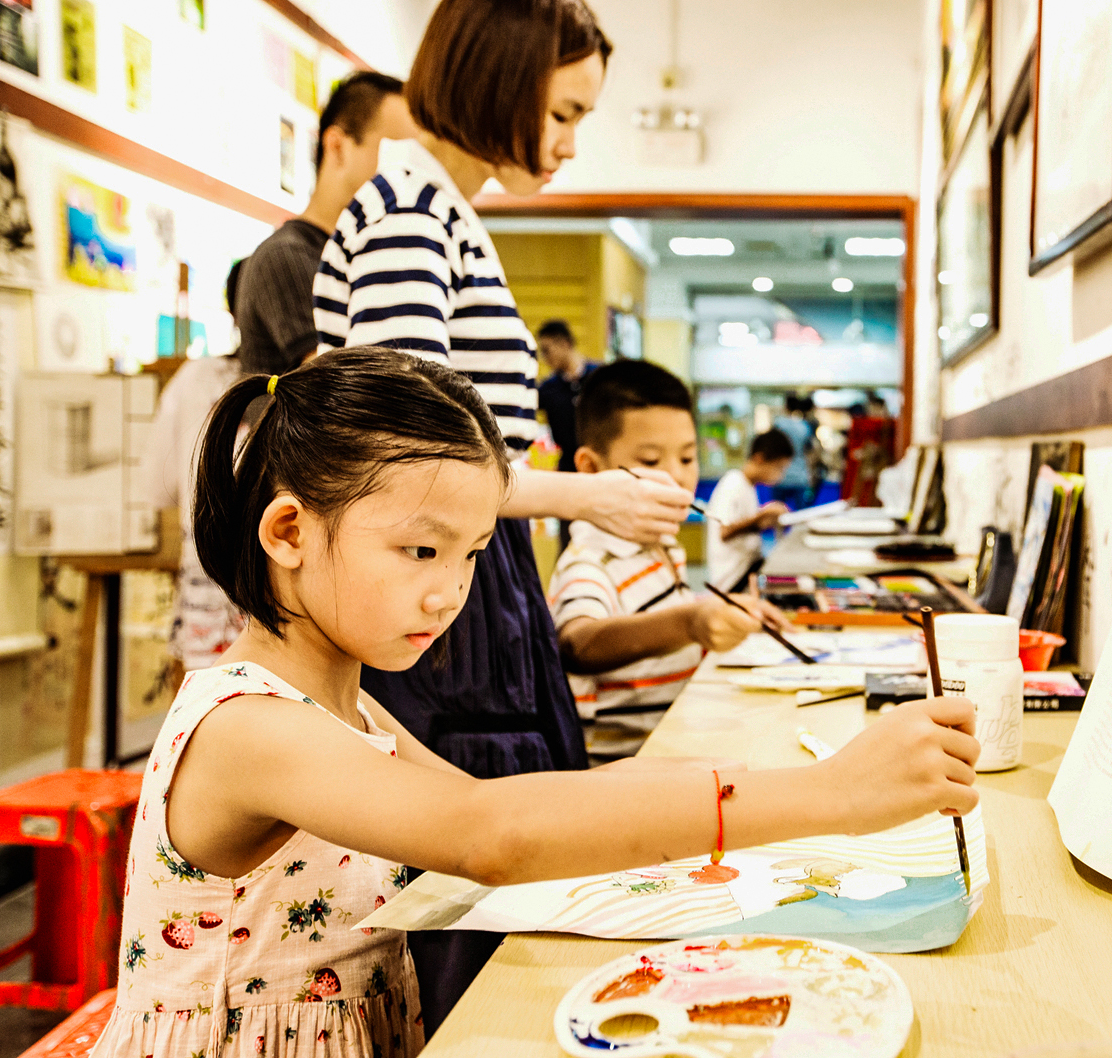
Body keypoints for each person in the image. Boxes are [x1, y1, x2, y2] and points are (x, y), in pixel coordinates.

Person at [90, 347, 982, 1058]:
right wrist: (832, 797)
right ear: (288, 531)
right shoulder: (252, 725)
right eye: (419, 551)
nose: (451, 593)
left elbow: (506, 813)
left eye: (473, 553)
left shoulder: (349, 705)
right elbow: (490, 830)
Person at [308, 0, 694, 1027]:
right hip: (444, 600)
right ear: (496, 78)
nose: (568, 143)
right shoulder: (407, 212)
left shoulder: (437, 207)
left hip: (478, 583)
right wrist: (594, 494)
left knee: (514, 897)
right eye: (561, 112)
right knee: (480, 915)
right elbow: (415, 462)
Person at [549, 361, 788, 762]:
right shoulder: (589, 562)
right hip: (628, 775)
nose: (677, 478)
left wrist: (723, 612)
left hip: (682, 740)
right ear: (591, 469)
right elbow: (578, 643)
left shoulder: (663, 545)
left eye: (688, 458)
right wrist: (690, 624)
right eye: (650, 460)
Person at [236, 71, 418, 376]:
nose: (406, 173)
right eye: (393, 152)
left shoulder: (361, 254)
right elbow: (341, 387)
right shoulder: (288, 256)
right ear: (337, 146)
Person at [143, 260, 247, 675]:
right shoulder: (308, 385)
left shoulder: (195, 378)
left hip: (206, 596)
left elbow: (156, 487)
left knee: (207, 722)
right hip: (281, 609)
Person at [705, 429, 795, 592]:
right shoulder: (733, 483)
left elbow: (744, 527)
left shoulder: (749, 487)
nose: (780, 476)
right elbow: (724, 532)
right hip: (733, 580)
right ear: (759, 459)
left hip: (748, 571)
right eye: (779, 468)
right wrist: (761, 516)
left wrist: (763, 522)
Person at [536, 319, 598, 474]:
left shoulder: (600, 377)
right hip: (568, 467)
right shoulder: (548, 388)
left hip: (599, 464)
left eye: (546, 350)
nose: (545, 358)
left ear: (564, 344)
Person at [769, 394, 816, 510]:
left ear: (785, 406)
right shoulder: (804, 426)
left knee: (777, 515)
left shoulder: (778, 425)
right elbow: (810, 451)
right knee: (801, 515)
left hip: (780, 476)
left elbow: (771, 449)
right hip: (800, 476)